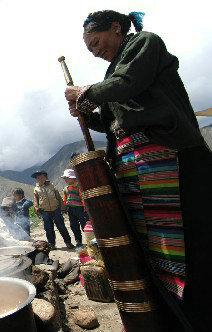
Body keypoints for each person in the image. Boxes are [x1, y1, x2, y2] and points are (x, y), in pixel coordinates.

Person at [63, 10, 212, 331]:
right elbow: (115, 123)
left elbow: (130, 82)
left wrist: (87, 93)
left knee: (190, 244)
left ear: (116, 28)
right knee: (153, 248)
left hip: (170, 159)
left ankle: (199, 314)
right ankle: (174, 315)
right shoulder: (113, 75)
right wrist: (86, 115)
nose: (93, 50)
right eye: (88, 47)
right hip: (135, 170)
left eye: (96, 41)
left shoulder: (144, 45)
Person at [32, 170, 74, 250]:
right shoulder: (36, 189)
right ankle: (52, 244)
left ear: (46, 177)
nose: (39, 179)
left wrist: (62, 207)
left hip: (56, 209)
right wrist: (37, 210)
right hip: (45, 211)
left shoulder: (51, 186)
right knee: (48, 228)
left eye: (41, 177)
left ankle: (68, 242)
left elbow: (58, 196)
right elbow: (35, 200)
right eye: (37, 178)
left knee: (61, 226)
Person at [61, 169, 87, 247]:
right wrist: (65, 207)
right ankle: (78, 241)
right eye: (65, 178)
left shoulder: (79, 186)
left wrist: (85, 207)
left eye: (67, 177)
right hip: (70, 209)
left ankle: (90, 239)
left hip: (80, 208)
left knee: (84, 224)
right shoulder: (66, 188)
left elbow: (83, 197)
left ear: (73, 178)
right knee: (74, 225)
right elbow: (65, 198)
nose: (66, 179)